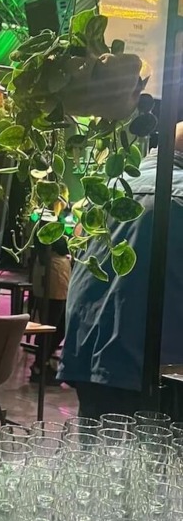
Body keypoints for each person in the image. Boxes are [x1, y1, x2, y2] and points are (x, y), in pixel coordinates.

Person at [59, 126, 183, 417]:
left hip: (91, 359)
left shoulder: (110, 188)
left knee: (99, 444)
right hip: (160, 372)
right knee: (158, 447)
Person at [29, 228, 71, 384]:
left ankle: (42, 362)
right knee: (51, 326)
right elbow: (61, 246)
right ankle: (40, 365)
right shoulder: (48, 228)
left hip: (57, 279)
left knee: (59, 326)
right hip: (53, 280)